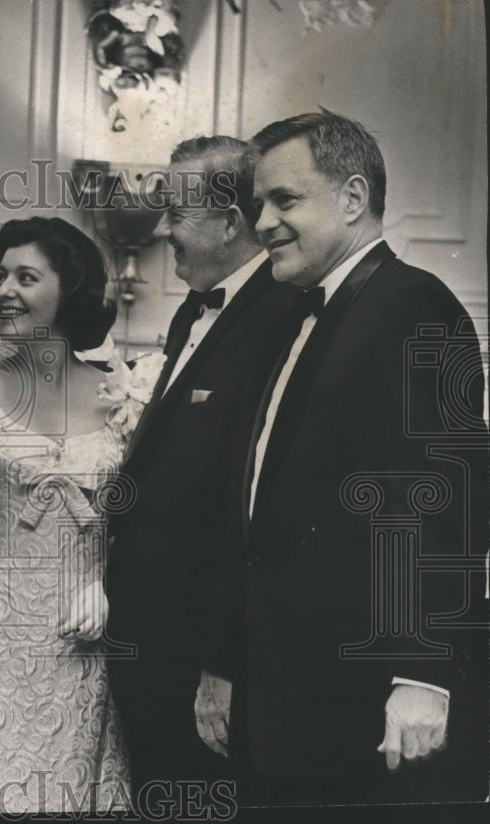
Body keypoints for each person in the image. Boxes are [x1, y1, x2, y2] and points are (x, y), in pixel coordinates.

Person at [196, 111, 489, 805]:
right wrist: (229, 663)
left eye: (285, 200)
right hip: (287, 699)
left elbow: (441, 499)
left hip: (366, 705)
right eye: (256, 203)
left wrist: (422, 677)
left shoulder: (413, 303)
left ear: (354, 198)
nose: (261, 222)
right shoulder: (301, 311)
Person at [0, 217, 153, 815]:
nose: (4, 291)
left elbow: (141, 525)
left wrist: (108, 583)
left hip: (80, 646)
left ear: (68, 290)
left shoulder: (118, 392)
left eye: (26, 277)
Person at [105, 136, 298, 803]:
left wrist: (223, 661)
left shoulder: (283, 316)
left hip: (203, 657)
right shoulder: (196, 306)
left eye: (175, 215)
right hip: (151, 646)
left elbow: (259, 511)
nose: (161, 230)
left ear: (229, 223)